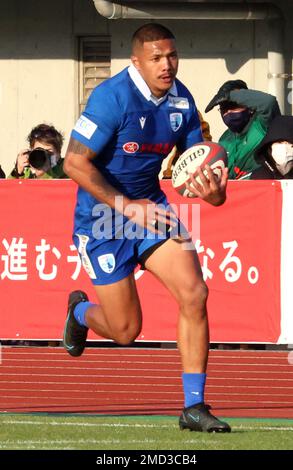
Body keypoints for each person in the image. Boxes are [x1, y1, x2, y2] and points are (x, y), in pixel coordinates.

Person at [62, 23, 230, 433]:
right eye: (156, 58)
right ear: (136, 61)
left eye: (172, 55)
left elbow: (197, 168)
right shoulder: (111, 97)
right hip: (102, 217)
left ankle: (194, 407)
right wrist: (124, 206)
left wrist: (212, 193)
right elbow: (72, 162)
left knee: (195, 293)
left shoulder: (183, 101)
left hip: (151, 208)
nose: (167, 64)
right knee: (125, 331)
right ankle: (80, 312)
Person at [205, 79, 281, 180]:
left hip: (263, 190)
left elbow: (269, 102)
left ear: (248, 104)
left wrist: (231, 95)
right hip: (238, 193)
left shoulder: (262, 124)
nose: (228, 112)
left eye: (233, 105)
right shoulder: (225, 138)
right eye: (224, 108)